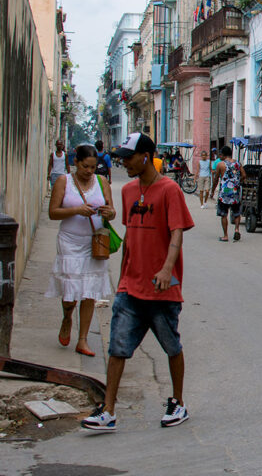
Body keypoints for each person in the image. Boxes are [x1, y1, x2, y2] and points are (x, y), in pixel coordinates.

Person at [81, 133, 194, 431]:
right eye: (121, 157)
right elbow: (130, 235)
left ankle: (178, 402)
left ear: (145, 156)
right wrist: (121, 279)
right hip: (130, 287)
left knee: (172, 347)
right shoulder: (129, 191)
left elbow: (177, 232)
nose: (123, 162)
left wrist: (167, 269)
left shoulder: (170, 190)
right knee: (117, 348)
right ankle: (108, 410)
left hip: (162, 288)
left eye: (128, 157)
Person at [45, 144, 116, 357]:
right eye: (85, 166)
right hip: (69, 241)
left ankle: (83, 339)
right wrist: (77, 210)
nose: (89, 171)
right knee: (70, 289)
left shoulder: (102, 182)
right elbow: (52, 213)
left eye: (93, 167)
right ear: (76, 162)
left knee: (89, 291)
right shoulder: (63, 181)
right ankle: (67, 317)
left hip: (94, 242)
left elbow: (112, 211)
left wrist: (109, 212)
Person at [210, 146, 246, 242]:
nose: (219, 156)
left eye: (220, 154)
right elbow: (244, 175)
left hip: (224, 193)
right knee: (237, 213)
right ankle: (237, 229)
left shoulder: (220, 165)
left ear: (223, 154)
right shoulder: (237, 163)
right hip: (235, 192)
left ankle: (225, 236)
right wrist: (237, 182)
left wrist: (212, 191)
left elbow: (215, 179)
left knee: (223, 214)